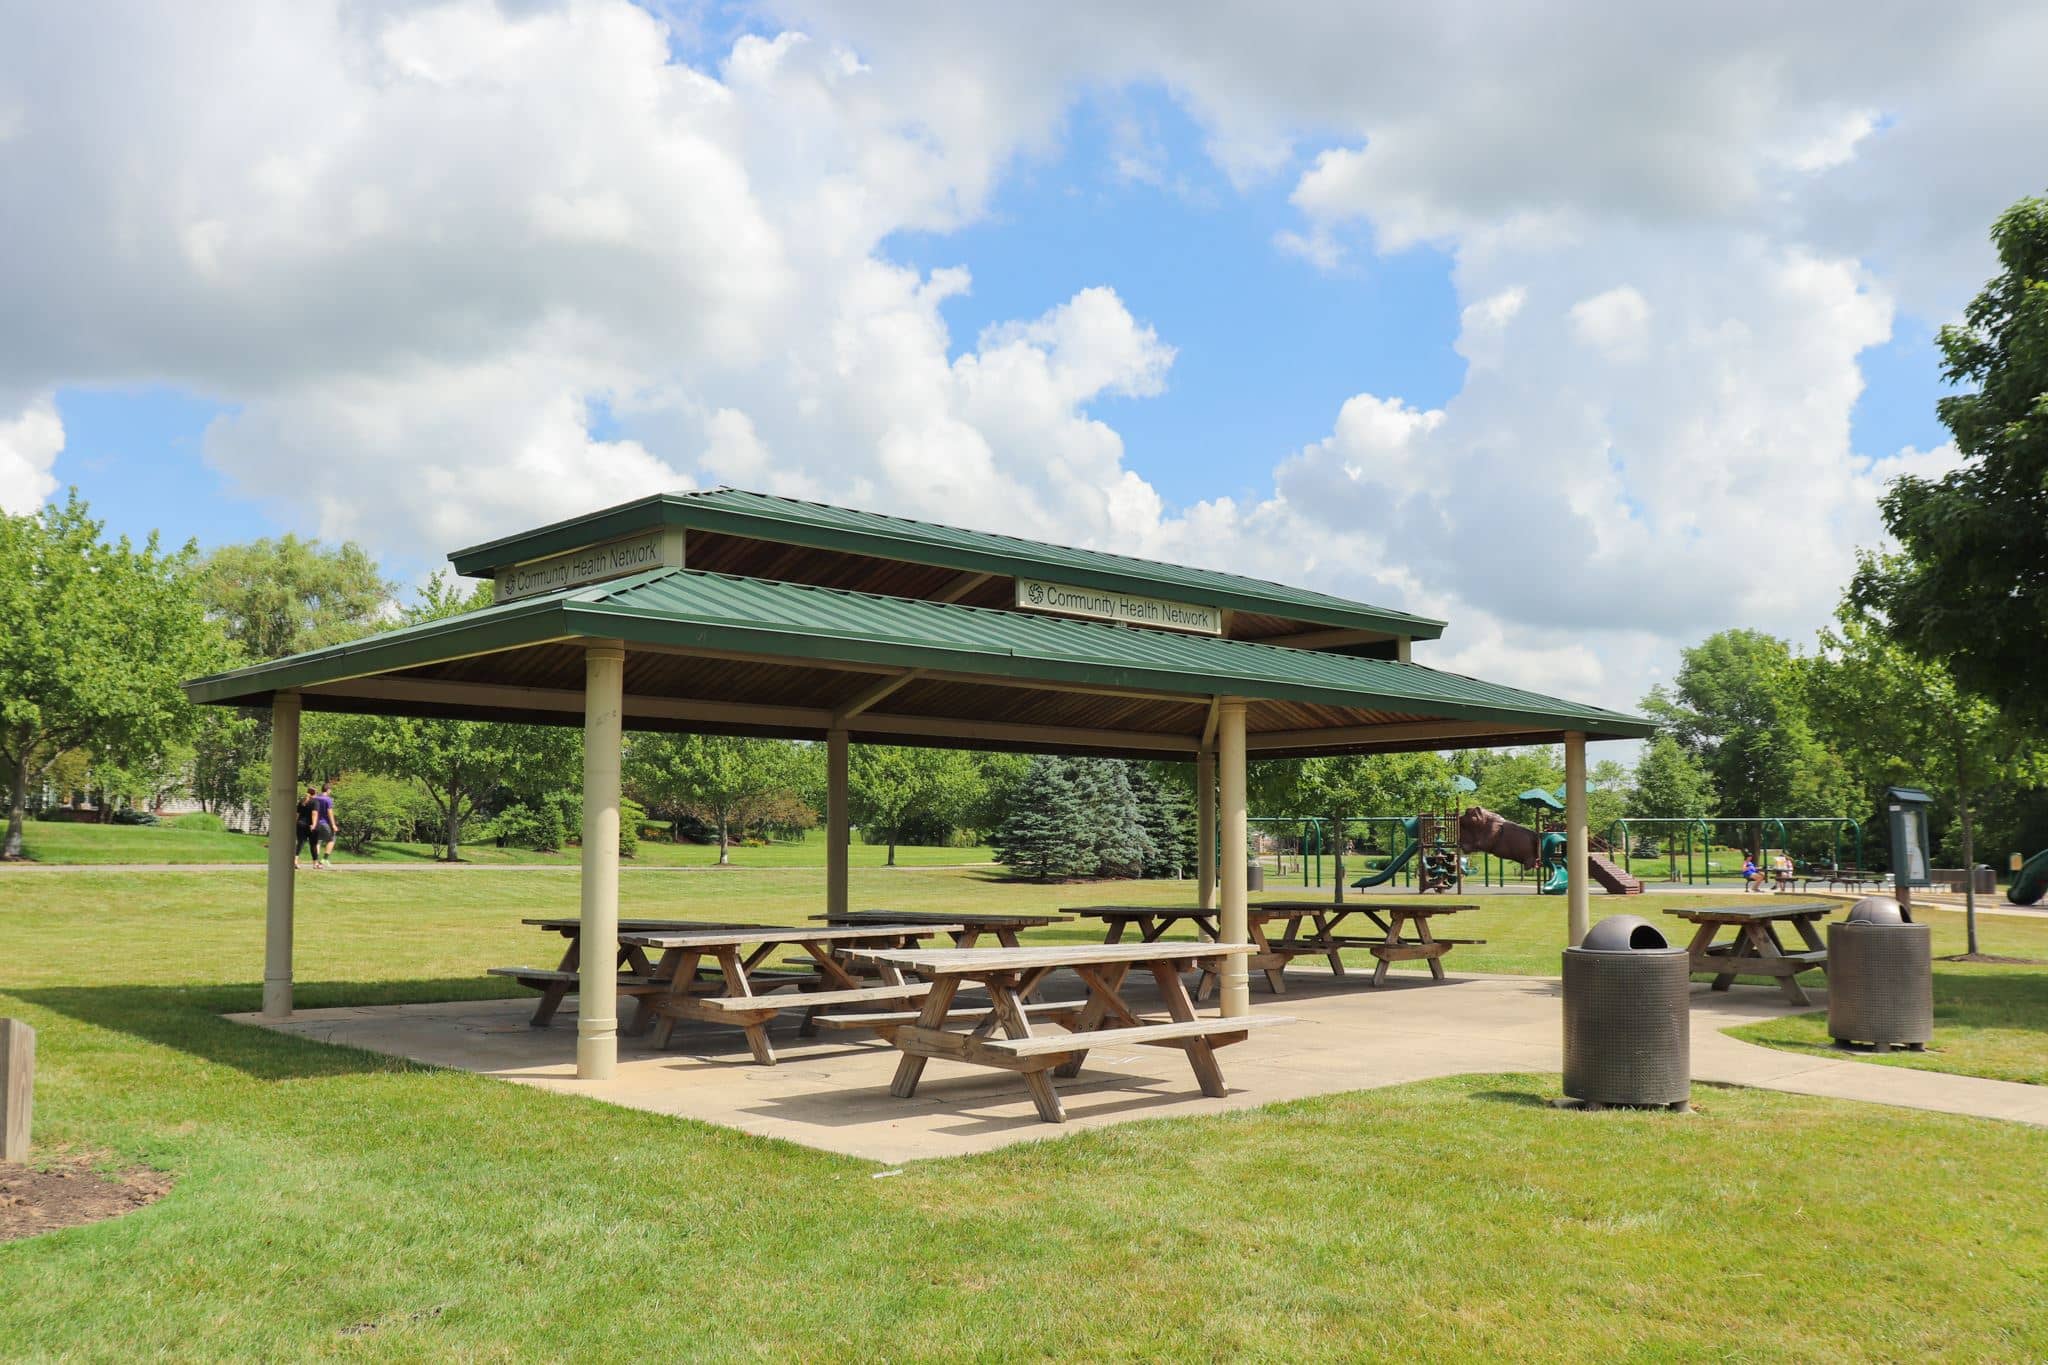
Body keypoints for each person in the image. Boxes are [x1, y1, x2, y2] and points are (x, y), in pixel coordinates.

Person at [312, 781, 337, 869]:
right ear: (328, 790)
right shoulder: (328, 799)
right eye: (330, 790)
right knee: (332, 839)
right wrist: (333, 825)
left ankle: (316, 862)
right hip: (324, 823)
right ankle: (324, 859)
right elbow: (330, 812)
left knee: (318, 841)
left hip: (315, 823)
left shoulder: (315, 798)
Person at [294, 785, 319, 870]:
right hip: (310, 825)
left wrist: (295, 823)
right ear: (315, 793)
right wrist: (314, 824)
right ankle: (315, 863)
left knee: (300, 843)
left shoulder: (302, 801)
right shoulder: (315, 802)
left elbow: (297, 814)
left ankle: (295, 861)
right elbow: (314, 813)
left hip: (300, 824)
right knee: (313, 845)